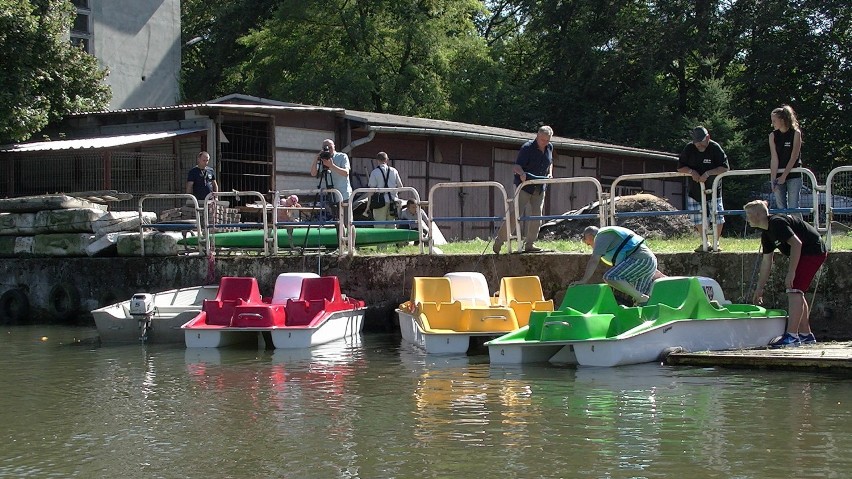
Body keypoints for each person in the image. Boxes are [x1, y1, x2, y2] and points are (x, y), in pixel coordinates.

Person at [745, 200, 827, 347]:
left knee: (794, 289)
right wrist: (760, 288)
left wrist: (791, 272)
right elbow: (767, 262)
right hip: (805, 253)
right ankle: (805, 334)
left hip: (813, 251)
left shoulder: (777, 223)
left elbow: (797, 244)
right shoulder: (766, 233)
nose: (747, 218)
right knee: (797, 290)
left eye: (749, 215)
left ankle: (792, 336)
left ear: (758, 214)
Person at [493, 125, 554, 254]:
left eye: (547, 140)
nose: (545, 143)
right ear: (537, 136)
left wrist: (549, 173)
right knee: (515, 214)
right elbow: (516, 166)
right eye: (542, 140)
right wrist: (521, 174)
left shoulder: (550, 147)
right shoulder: (527, 148)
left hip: (540, 187)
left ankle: (530, 244)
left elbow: (550, 162)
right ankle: (500, 240)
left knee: (537, 216)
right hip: (525, 186)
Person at [571, 225, 659, 305]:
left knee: (610, 277)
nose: (591, 247)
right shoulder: (610, 238)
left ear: (590, 236)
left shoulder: (601, 236)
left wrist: (584, 280)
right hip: (648, 262)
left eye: (589, 244)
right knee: (641, 304)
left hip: (640, 260)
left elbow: (594, 260)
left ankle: (641, 297)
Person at [677, 126, 730, 252]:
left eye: (701, 141)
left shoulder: (715, 147)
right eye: (696, 142)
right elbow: (680, 167)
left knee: (717, 216)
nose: (699, 145)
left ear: (708, 137)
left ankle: (716, 242)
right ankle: (705, 242)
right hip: (695, 190)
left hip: (713, 189)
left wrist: (707, 173)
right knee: (697, 216)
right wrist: (691, 171)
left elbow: (725, 167)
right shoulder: (689, 148)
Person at [310, 139, 355, 242]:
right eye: (325, 147)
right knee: (338, 222)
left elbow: (346, 173)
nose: (328, 150)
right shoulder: (323, 160)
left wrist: (332, 166)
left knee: (348, 222)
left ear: (334, 146)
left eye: (330, 147)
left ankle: (351, 247)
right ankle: (341, 246)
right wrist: (316, 159)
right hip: (332, 196)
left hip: (344, 195)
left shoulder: (342, 156)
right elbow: (313, 173)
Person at [769, 105, 804, 219]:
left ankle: (800, 232)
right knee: (781, 208)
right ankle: (785, 233)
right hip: (779, 173)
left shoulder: (795, 133)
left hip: (793, 173)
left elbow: (794, 156)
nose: (772, 123)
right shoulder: (773, 136)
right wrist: (773, 178)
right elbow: (774, 158)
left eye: (774, 121)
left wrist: (784, 175)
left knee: (793, 206)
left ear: (782, 120)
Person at [367, 152, 403, 226]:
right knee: (392, 225)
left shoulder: (374, 172)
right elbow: (400, 186)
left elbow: (371, 190)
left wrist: (368, 206)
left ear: (377, 160)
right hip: (393, 201)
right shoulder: (394, 171)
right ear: (387, 160)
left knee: (379, 225)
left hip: (379, 202)